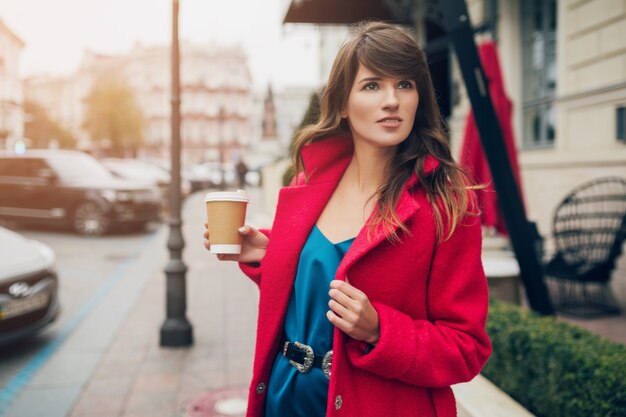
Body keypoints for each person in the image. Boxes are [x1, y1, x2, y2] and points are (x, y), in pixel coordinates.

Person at [204, 21, 491, 417]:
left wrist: (380, 331)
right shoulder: (309, 182)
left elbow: (466, 348)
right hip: (284, 400)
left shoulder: (447, 201)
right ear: (342, 103)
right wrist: (271, 254)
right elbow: (315, 281)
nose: (391, 100)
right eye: (372, 85)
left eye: (405, 84)